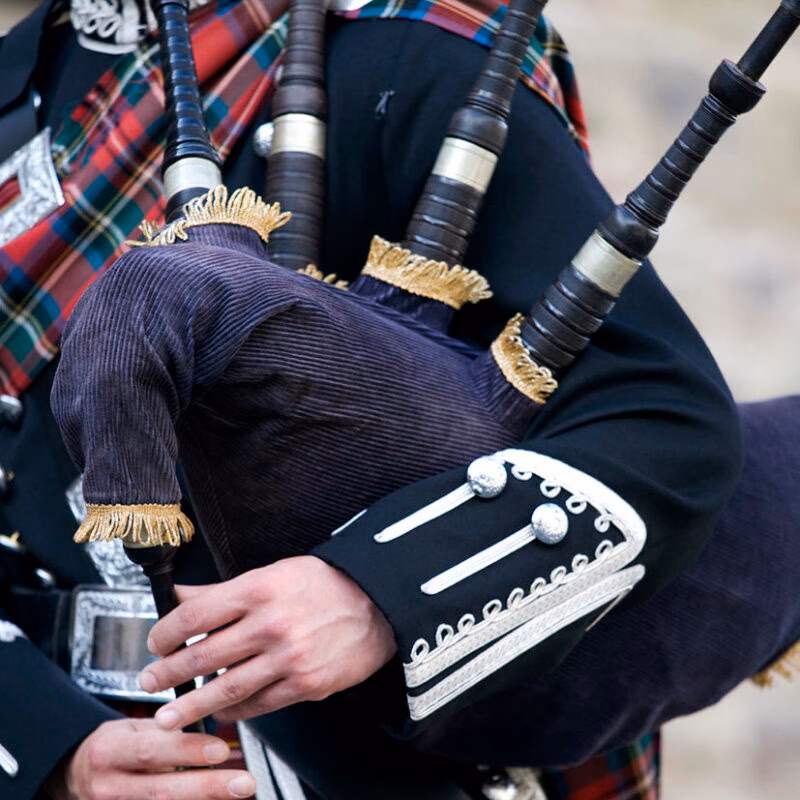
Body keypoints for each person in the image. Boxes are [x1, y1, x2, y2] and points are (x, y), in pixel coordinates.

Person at [8, 0, 788, 798]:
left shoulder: (408, 58)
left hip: (353, 764)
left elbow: (661, 423)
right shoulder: (18, 80)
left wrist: (377, 593)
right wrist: (52, 747)